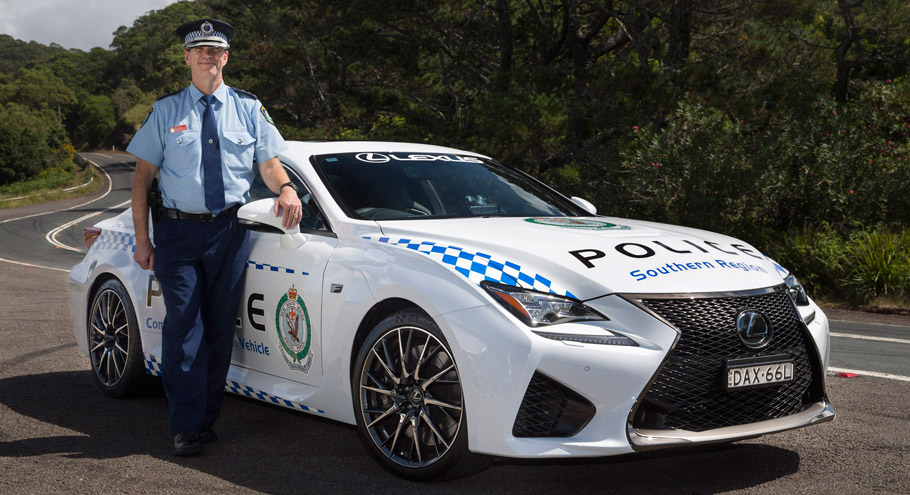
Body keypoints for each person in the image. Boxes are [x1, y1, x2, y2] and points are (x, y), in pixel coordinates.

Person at [127, 18, 302, 456]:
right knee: (183, 325)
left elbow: (269, 164)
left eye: (215, 51)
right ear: (187, 57)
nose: (208, 57)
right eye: (199, 50)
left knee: (221, 328)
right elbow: (142, 177)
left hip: (229, 231)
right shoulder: (166, 110)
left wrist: (285, 187)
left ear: (226, 57)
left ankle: (206, 418)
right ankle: (185, 425)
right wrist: (143, 240)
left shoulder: (248, 108)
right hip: (177, 233)